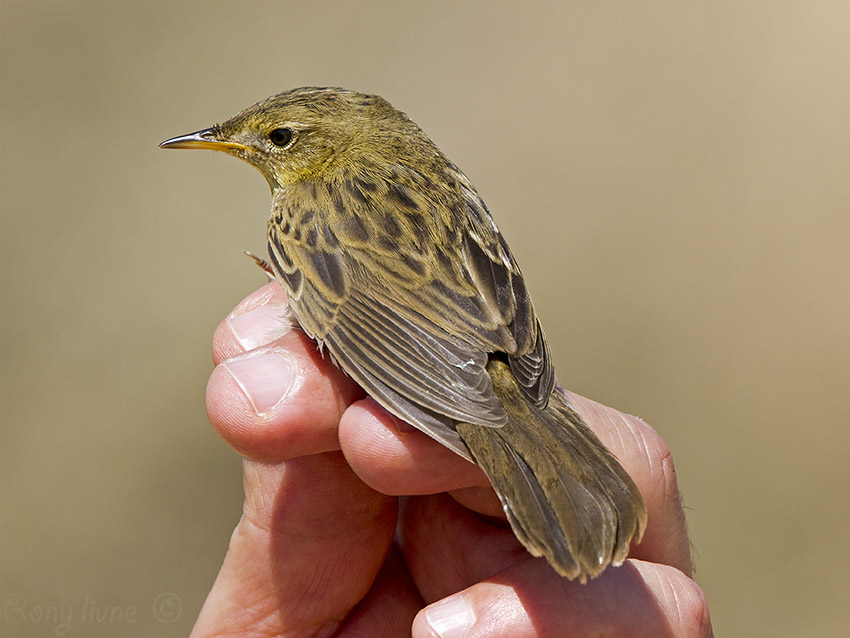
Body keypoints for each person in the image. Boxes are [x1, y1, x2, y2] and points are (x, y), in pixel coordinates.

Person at [190, 282, 713, 638]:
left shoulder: (302, 218)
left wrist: (457, 395)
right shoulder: (438, 182)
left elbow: (363, 323)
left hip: (432, 366)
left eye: (281, 140)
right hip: (491, 343)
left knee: (378, 437)